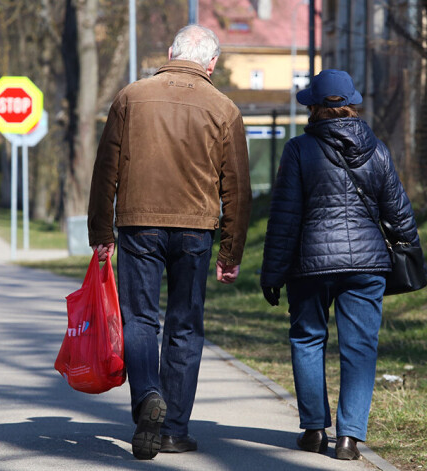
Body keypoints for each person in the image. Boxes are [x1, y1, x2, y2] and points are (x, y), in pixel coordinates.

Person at [88, 24, 252, 460]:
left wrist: (101, 233)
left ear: (169, 52)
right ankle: (174, 429)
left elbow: (106, 169)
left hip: (137, 223)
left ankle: (147, 400)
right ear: (212, 63)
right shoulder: (224, 108)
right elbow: (236, 185)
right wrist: (230, 250)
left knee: (140, 319)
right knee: (184, 325)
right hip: (196, 229)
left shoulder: (131, 97)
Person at [260, 69, 422, 460]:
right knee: (361, 347)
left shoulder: (298, 150)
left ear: (314, 107)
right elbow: (399, 214)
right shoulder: (378, 150)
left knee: (307, 339)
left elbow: (284, 218)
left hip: (309, 264)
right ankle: (349, 438)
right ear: (351, 104)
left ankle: (315, 430)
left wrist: (272, 272)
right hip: (367, 266)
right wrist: (411, 254)